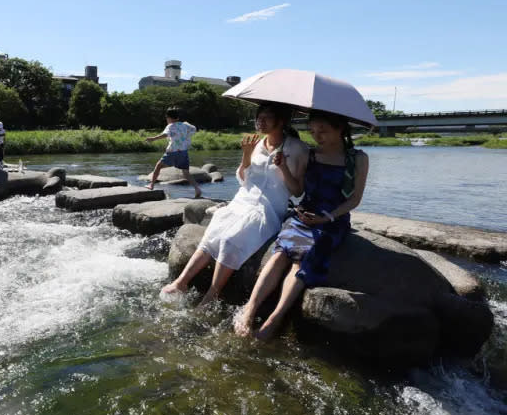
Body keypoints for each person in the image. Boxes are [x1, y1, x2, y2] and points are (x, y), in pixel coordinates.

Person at [235, 110, 369, 340]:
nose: (317, 136)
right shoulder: (311, 155)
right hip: (304, 214)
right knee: (279, 254)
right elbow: (297, 191)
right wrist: (284, 168)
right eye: (313, 131)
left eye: (323, 131)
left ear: (341, 129)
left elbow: (354, 199)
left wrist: (326, 218)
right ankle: (249, 311)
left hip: (332, 220)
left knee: (300, 260)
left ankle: (273, 320)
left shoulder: (357, 158)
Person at [161, 104, 309, 306]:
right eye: (259, 117)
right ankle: (181, 282)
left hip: (269, 207)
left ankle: (213, 294)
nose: (260, 122)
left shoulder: (298, 149)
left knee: (230, 239)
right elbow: (242, 178)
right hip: (243, 200)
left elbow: (298, 191)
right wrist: (247, 155)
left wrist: (282, 166)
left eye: (266, 118)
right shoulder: (256, 143)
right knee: (215, 232)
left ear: (281, 121)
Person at [145, 107, 201, 198]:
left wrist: (153, 138)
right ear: (177, 117)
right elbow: (194, 128)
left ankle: (151, 185)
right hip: (183, 152)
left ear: (169, 118)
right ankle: (197, 189)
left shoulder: (170, 126)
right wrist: (186, 123)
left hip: (172, 151)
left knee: (158, 166)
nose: (166, 119)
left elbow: (165, 135)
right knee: (186, 173)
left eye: (167, 118)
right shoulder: (184, 125)